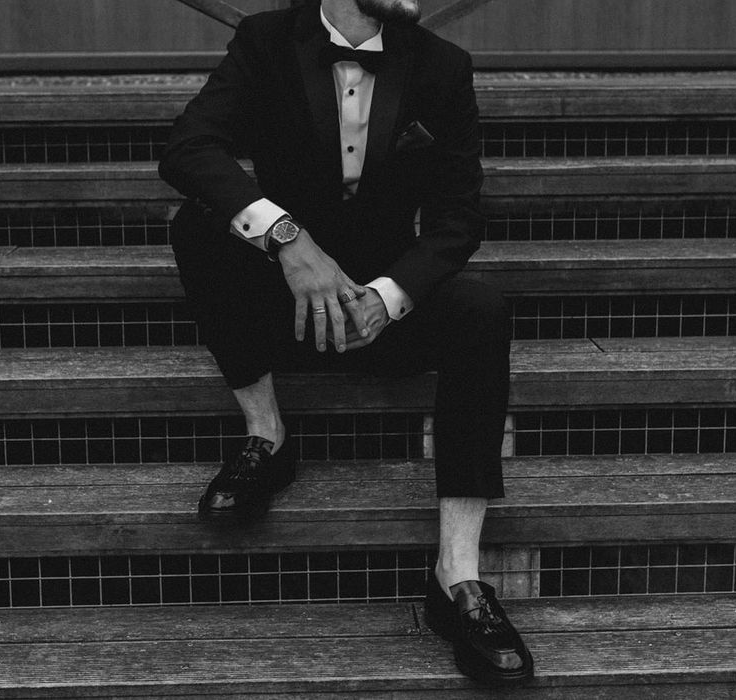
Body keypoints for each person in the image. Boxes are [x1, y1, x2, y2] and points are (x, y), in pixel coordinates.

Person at [159, 0, 533, 685]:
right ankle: (267, 439)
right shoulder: (266, 40)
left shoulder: (443, 66)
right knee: (196, 226)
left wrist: (389, 298)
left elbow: (458, 218)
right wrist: (287, 240)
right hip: (284, 303)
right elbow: (189, 146)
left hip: (379, 307)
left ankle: (459, 578)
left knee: (481, 309)